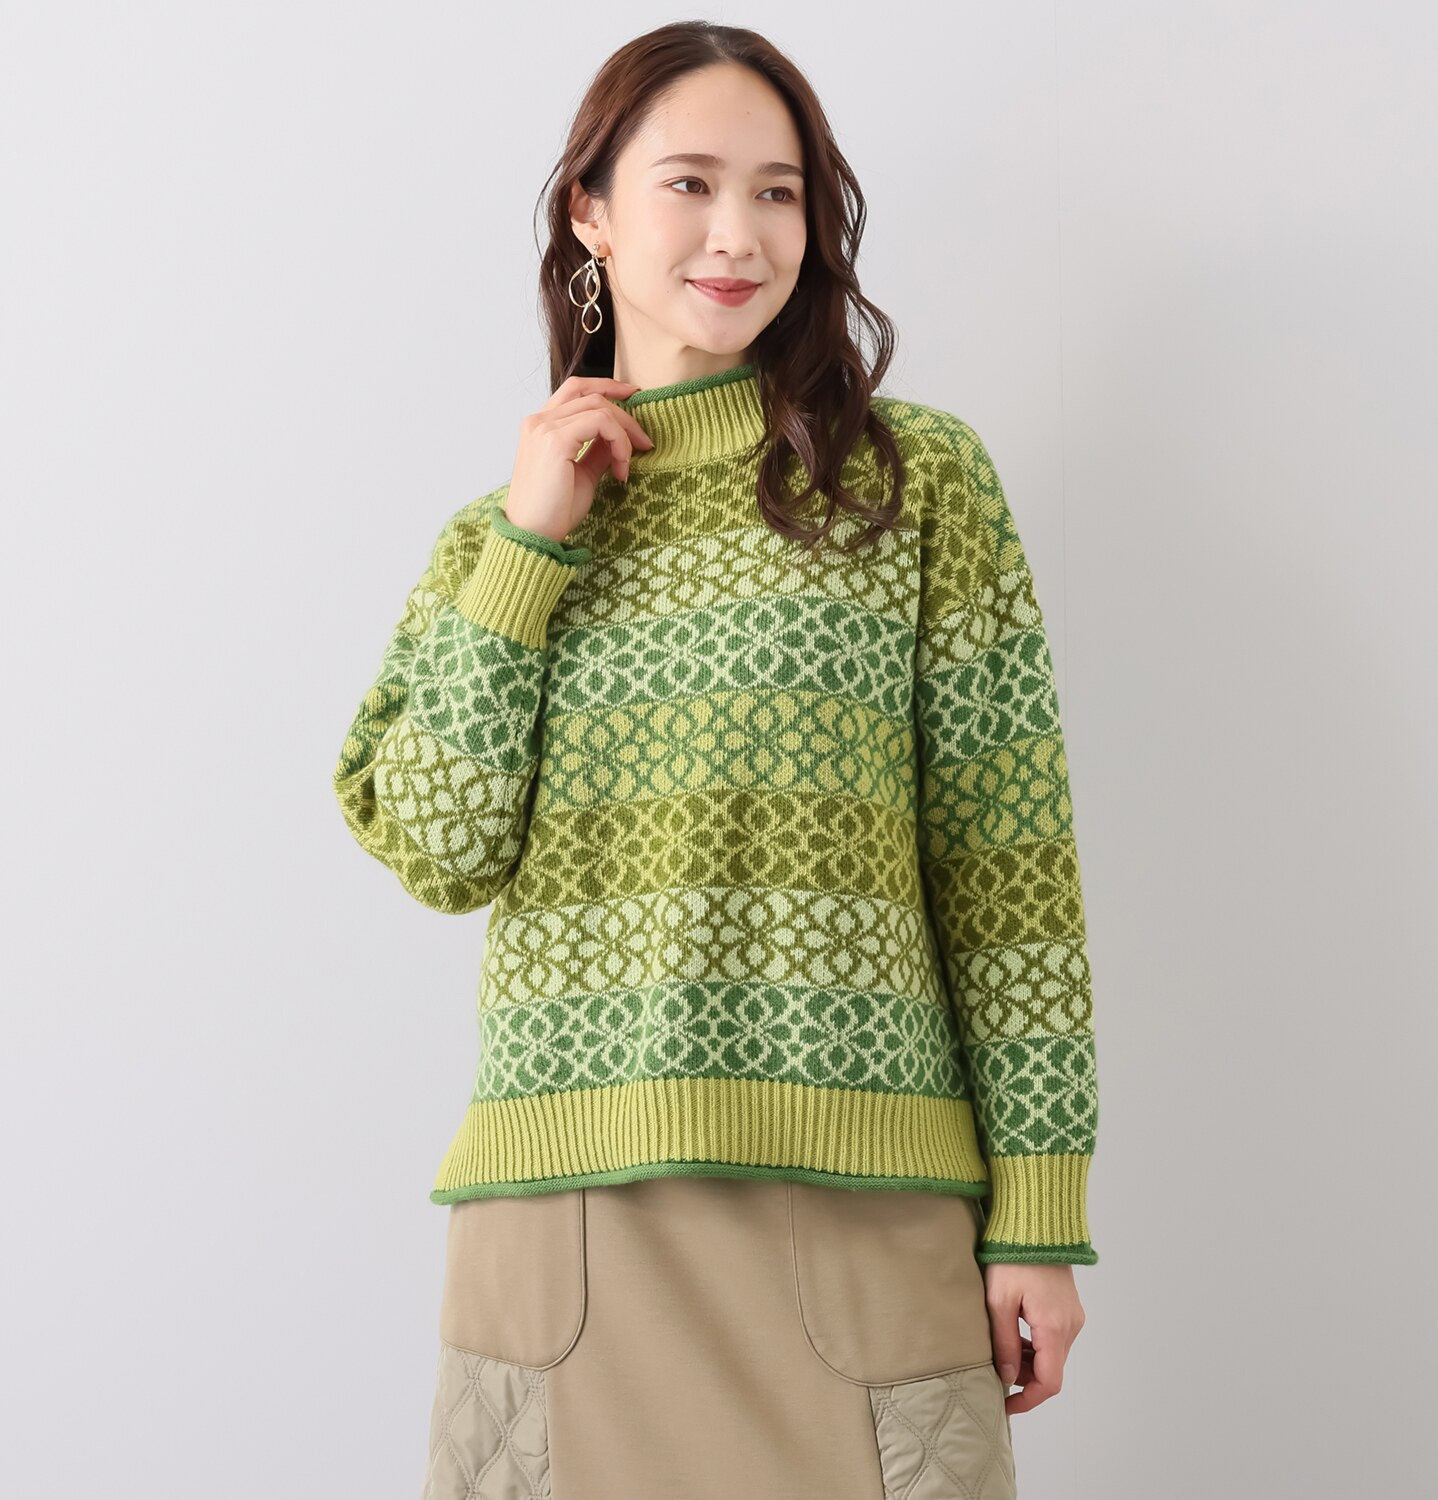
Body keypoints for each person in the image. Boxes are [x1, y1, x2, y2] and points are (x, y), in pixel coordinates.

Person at [331, 21, 1100, 1500]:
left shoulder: (910, 483)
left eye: (779, 193)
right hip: (564, 1229)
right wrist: (531, 547)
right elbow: (438, 846)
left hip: (867, 1209)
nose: (739, 236)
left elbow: (1010, 875)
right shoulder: (497, 537)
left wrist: (1039, 1216)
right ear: (591, 212)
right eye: (688, 183)